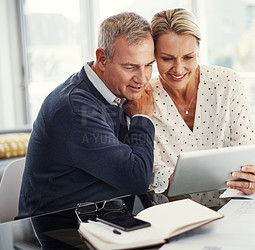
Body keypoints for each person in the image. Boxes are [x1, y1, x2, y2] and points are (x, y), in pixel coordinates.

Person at [17, 12, 156, 219]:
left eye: (149, 65)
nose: (143, 78)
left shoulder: (116, 93)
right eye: (130, 67)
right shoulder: (75, 108)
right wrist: (143, 117)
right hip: (58, 230)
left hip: (103, 221)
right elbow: (136, 178)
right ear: (102, 59)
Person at [149, 8, 255, 198]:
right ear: (153, 55)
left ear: (198, 51)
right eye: (167, 58)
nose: (178, 68)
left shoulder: (227, 82)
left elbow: (249, 150)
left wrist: (253, 176)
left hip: (232, 206)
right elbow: (152, 171)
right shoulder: (144, 96)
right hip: (173, 212)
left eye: (188, 57)